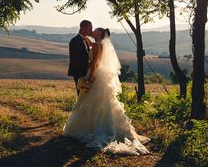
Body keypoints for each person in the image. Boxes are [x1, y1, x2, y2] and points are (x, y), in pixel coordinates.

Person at [63, 27, 149, 156]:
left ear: (100, 33)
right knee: (102, 103)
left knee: (95, 102)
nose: (93, 30)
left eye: (95, 30)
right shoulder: (99, 44)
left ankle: (93, 129)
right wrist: (85, 36)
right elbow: (91, 45)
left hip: (95, 75)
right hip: (101, 77)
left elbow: (95, 63)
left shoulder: (98, 45)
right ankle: (101, 126)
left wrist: (89, 78)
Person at [67, 20, 93, 95]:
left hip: (85, 71)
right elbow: (76, 59)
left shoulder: (86, 40)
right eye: (90, 28)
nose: (91, 30)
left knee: (85, 93)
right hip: (78, 71)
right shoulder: (75, 41)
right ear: (83, 28)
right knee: (80, 92)